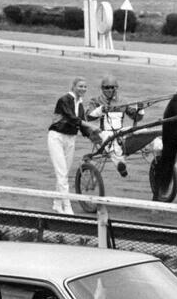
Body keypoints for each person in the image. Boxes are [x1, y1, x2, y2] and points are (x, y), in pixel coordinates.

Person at [47, 77, 99, 215]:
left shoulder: (80, 105)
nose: (83, 89)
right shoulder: (64, 100)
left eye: (85, 87)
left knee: (63, 173)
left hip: (71, 139)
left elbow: (81, 127)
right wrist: (89, 125)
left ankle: (57, 204)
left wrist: (95, 139)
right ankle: (67, 207)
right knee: (62, 173)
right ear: (73, 86)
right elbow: (72, 118)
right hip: (57, 137)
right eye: (80, 86)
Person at [86, 74, 145, 178]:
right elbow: (88, 116)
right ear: (102, 89)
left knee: (141, 131)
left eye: (112, 87)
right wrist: (100, 110)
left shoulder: (122, 102)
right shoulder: (96, 101)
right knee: (112, 143)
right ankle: (120, 164)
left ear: (116, 88)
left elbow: (136, 118)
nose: (109, 90)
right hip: (104, 133)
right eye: (106, 87)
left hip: (120, 131)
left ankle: (159, 148)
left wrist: (140, 109)